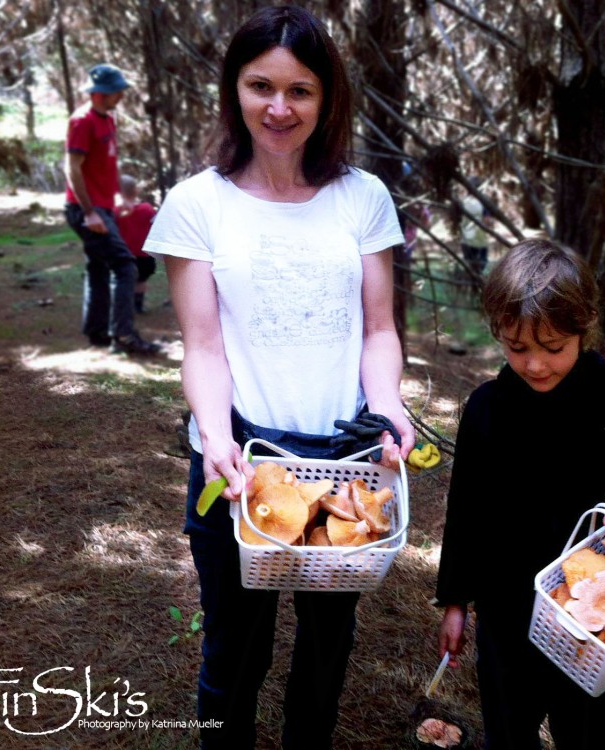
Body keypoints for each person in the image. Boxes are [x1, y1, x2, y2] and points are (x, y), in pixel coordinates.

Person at [142, 6, 415, 749]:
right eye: (260, 85)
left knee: (328, 647)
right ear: (234, 88)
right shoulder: (197, 205)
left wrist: (387, 403)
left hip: (344, 465)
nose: (278, 107)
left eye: (300, 91)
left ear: (327, 100)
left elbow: (380, 329)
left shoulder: (363, 198)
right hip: (243, 460)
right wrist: (218, 437)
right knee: (235, 648)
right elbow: (202, 347)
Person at [435, 239, 605, 750]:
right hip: (505, 610)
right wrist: (454, 599)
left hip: (590, 611)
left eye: (553, 348)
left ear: (583, 329)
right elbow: (466, 510)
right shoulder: (485, 410)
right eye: (518, 348)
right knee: (508, 729)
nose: (536, 365)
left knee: (585, 732)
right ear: (498, 333)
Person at [63, 63, 160, 355]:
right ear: (99, 93)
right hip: (87, 209)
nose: (121, 94)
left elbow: (106, 164)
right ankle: (124, 335)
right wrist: (89, 211)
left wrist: (119, 197)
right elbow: (72, 168)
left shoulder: (108, 119)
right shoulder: (82, 121)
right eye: (115, 90)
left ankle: (97, 333)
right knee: (125, 264)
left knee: (99, 266)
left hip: (105, 205)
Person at [115, 174, 157, 313]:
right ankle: (138, 306)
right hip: (145, 254)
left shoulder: (116, 212)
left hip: (123, 254)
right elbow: (157, 224)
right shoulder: (147, 209)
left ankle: (125, 306)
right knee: (141, 280)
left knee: (125, 280)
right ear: (136, 190)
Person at [459, 178, 490, 276]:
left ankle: (470, 281)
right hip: (479, 238)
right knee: (481, 262)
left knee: (469, 262)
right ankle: (478, 281)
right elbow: (486, 220)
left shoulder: (463, 203)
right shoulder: (483, 203)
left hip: (465, 238)